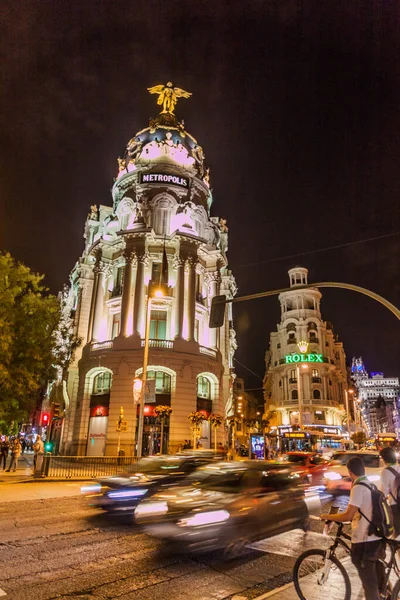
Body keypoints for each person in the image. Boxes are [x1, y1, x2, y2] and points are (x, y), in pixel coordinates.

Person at [320, 456, 385, 600]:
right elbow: (361, 511)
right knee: (373, 577)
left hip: (364, 540)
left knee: (369, 584)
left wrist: (328, 516)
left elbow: (348, 515)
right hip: (376, 537)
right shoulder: (370, 484)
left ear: (350, 472)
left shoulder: (358, 487)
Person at [379, 446, 400, 536]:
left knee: (398, 532)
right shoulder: (399, 468)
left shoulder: (386, 472)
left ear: (384, 459)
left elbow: (383, 492)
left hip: (395, 506)